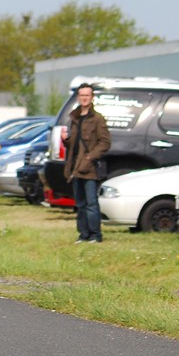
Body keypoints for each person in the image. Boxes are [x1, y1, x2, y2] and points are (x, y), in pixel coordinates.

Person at [61, 83, 112, 244]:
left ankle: (95, 235)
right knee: (80, 204)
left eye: (87, 95)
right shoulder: (74, 117)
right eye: (82, 95)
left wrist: (90, 158)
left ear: (92, 97)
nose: (84, 98)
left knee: (91, 203)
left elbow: (105, 143)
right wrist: (66, 140)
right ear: (78, 97)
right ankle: (83, 234)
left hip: (89, 168)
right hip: (75, 166)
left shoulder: (97, 118)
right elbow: (74, 144)